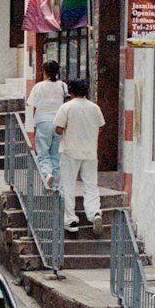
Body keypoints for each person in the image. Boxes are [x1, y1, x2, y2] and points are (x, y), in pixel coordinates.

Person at [54, 77, 105, 236]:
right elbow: (100, 127)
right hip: (90, 151)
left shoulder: (66, 107)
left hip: (70, 151)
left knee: (68, 185)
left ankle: (70, 220)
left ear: (71, 92)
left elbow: (59, 129)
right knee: (91, 184)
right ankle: (94, 213)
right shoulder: (94, 107)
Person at [27, 58, 67, 189]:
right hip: (58, 122)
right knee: (56, 153)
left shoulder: (38, 87)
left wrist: (32, 124)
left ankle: (46, 173)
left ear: (44, 72)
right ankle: (54, 186)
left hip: (43, 121)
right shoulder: (62, 85)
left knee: (43, 151)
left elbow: (32, 106)